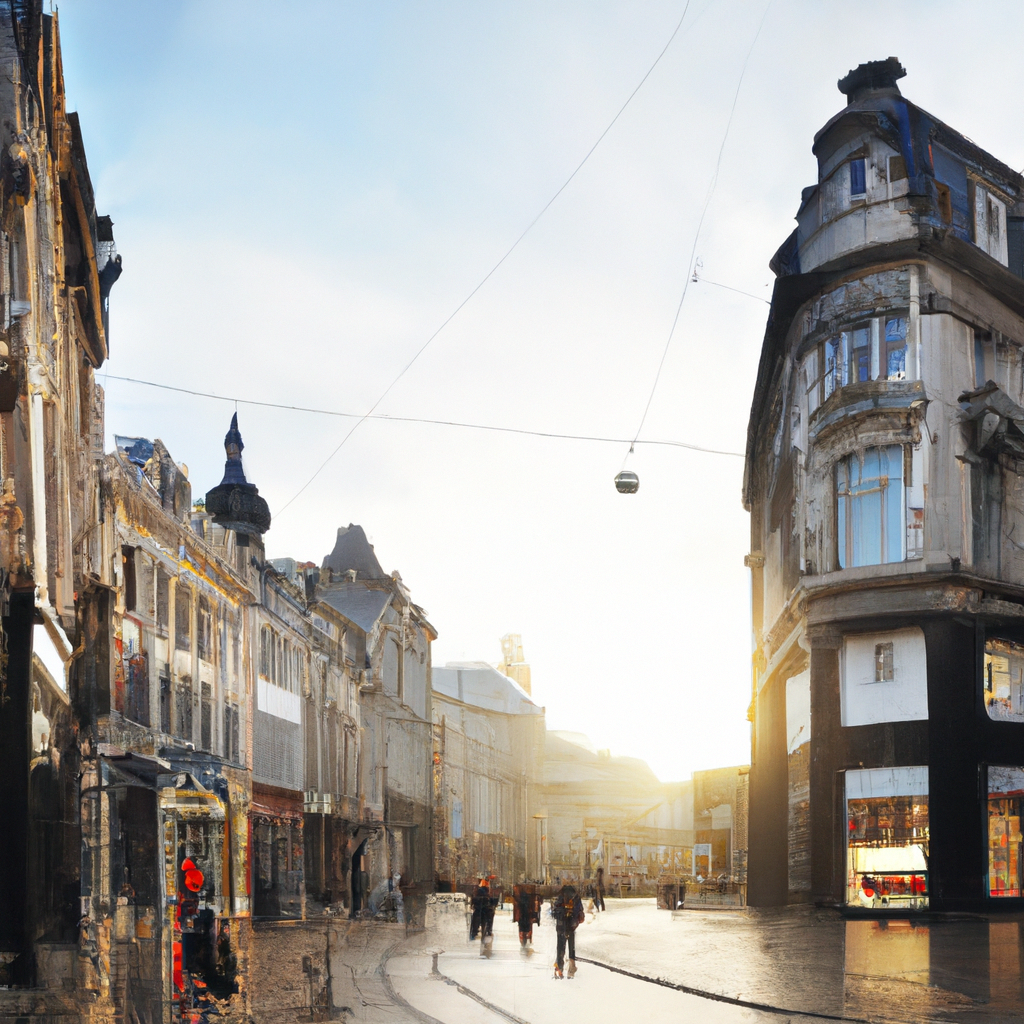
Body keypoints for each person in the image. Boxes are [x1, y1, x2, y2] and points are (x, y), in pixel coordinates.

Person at [551, 883, 584, 979]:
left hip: (561, 926)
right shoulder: (576, 898)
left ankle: (559, 968)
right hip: (571, 925)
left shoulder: (560, 898)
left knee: (560, 947)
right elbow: (580, 911)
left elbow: (554, 912)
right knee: (571, 947)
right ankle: (571, 968)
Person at [470, 878, 498, 957]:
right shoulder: (488, 891)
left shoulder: (479, 891)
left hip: (481, 911)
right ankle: (486, 933)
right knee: (486, 927)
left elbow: (474, 902)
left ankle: (475, 932)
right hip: (486, 911)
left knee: (480, 924)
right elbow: (493, 901)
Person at [512, 883, 541, 951]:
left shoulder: (521, 897)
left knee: (523, 926)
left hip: (523, 914)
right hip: (527, 914)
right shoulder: (530, 898)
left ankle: (525, 937)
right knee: (526, 926)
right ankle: (527, 937)